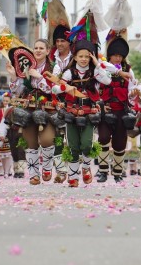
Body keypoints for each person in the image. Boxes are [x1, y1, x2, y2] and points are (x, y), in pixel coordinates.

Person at [52, 40, 111, 187]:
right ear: (75, 57)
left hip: (89, 112)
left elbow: (107, 81)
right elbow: (55, 89)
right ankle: (73, 177)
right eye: (81, 56)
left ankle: (85, 168)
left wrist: (98, 64)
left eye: (87, 56)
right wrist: (66, 87)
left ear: (90, 57)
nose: (84, 59)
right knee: (73, 146)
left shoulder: (95, 72)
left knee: (86, 144)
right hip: (71, 112)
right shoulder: (68, 73)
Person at [8, 39, 57, 185]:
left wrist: (38, 76)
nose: (38, 50)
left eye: (42, 48)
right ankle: (34, 175)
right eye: (35, 47)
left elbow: (53, 89)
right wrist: (13, 76)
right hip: (28, 107)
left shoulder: (54, 68)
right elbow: (17, 91)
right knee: (30, 143)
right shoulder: (25, 66)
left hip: (47, 108)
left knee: (47, 139)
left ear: (48, 51)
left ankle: (47, 169)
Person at [96, 36, 136, 183]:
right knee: (103, 138)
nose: (118, 58)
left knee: (120, 142)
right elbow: (96, 89)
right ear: (110, 56)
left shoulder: (129, 71)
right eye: (115, 56)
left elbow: (133, 88)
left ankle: (118, 173)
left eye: (120, 56)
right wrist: (100, 104)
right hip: (106, 110)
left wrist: (133, 94)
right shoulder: (102, 68)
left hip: (122, 111)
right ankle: (102, 171)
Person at [51, 25, 72, 183]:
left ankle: (72, 171)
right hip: (56, 101)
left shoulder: (77, 57)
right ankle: (60, 171)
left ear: (69, 42)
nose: (59, 44)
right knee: (57, 138)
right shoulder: (51, 59)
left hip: (74, 101)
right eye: (57, 41)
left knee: (71, 138)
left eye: (63, 41)